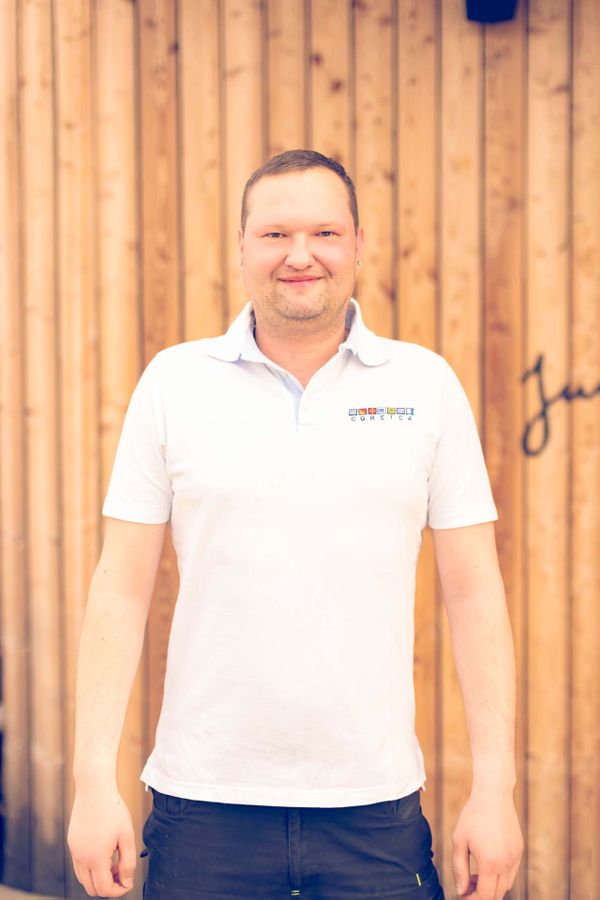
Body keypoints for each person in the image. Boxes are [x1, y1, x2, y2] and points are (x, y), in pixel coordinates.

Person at [67, 149, 523, 899]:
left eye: (325, 233)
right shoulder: (174, 384)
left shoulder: (425, 386)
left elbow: (474, 591)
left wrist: (496, 789)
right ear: (242, 247)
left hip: (375, 810)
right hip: (202, 806)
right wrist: (92, 781)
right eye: (276, 234)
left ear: (358, 245)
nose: (300, 255)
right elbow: (120, 588)